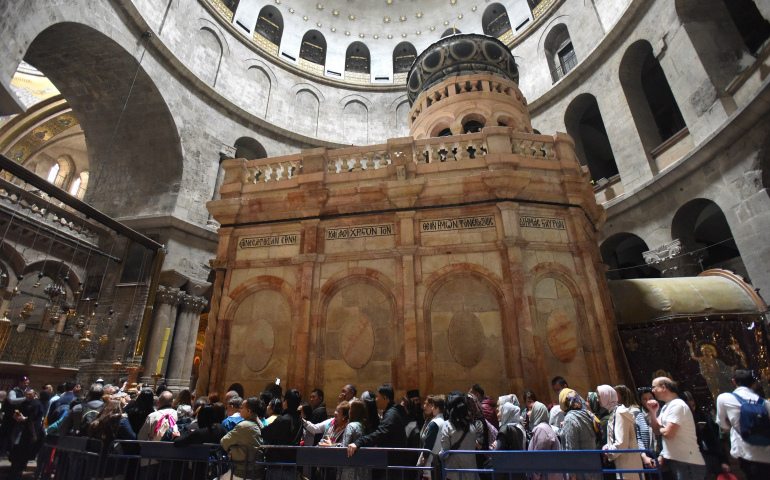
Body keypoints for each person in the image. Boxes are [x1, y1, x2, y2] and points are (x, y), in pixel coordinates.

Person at [647, 377, 706, 480]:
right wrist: (652, 413)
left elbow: (669, 434)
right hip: (677, 461)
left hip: (688, 462)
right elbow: (656, 430)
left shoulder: (677, 405)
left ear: (664, 387)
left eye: (654, 387)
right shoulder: (666, 407)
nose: (652, 391)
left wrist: (662, 428)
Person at [716, 369, 770, 480]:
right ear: (754, 385)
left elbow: (723, 427)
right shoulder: (765, 403)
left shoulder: (724, 398)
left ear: (733, 381)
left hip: (748, 455)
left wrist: (731, 424)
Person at [347, 384, 406, 456]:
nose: (376, 399)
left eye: (378, 396)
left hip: (392, 459)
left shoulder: (391, 414)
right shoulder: (392, 412)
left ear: (385, 398)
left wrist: (359, 442)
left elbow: (380, 433)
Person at [682, 391, 729, 480]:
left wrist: (723, 460)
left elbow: (717, 440)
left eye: (693, 405)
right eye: (689, 406)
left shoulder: (704, 417)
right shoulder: (682, 421)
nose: (692, 408)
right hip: (696, 457)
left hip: (712, 455)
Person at [598, 384, 643, 476]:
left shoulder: (619, 413)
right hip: (622, 464)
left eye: (599, 397)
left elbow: (621, 442)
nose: (598, 400)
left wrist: (609, 453)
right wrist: (607, 446)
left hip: (628, 465)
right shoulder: (614, 412)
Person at [87, 399, 136, 476]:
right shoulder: (121, 421)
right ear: (119, 409)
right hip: (113, 459)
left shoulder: (96, 420)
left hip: (95, 459)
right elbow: (131, 437)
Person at [221, 397, 265, 480]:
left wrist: (231, 449)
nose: (240, 410)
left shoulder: (243, 426)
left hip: (243, 472)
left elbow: (224, 441)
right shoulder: (259, 423)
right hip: (257, 470)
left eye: (242, 408)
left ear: (248, 411)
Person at [262, 388, 303, 476]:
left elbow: (265, 434)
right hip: (292, 463)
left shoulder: (283, 419)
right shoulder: (299, 419)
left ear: (286, 402)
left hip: (278, 465)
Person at [7, 389, 44, 480]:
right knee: (16, 454)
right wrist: (16, 416)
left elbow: (32, 420)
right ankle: (12, 472)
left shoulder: (36, 405)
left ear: (35, 394)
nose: (28, 396)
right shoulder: (23, 403)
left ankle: (17, 474)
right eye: (26, 395)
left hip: (29, 433)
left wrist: (33, 434)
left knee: (24, 455)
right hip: (19, 431)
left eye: (30, 394)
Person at [439, 393, 477, 480]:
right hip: (471, 474)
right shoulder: (471, 425)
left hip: (454, 474)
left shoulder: (448, 425)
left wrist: (437, 456)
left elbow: (445, 453)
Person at [418, 395, 446, 477]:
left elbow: (429, 442)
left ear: (437, 408)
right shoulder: (444, 421)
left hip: (431, 460)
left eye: (433, 406)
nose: (432, 408)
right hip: (439, 460)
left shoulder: (434, 423)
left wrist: (424, 458)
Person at [636, 387, 661, 470]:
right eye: (644, 399)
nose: (648, 401)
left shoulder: (661, 413)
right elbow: (638, 438)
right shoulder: (639, 417)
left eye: (650, 398)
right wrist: (644, 456)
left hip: (663, 455)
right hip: (648, 455)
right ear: (641, 401)